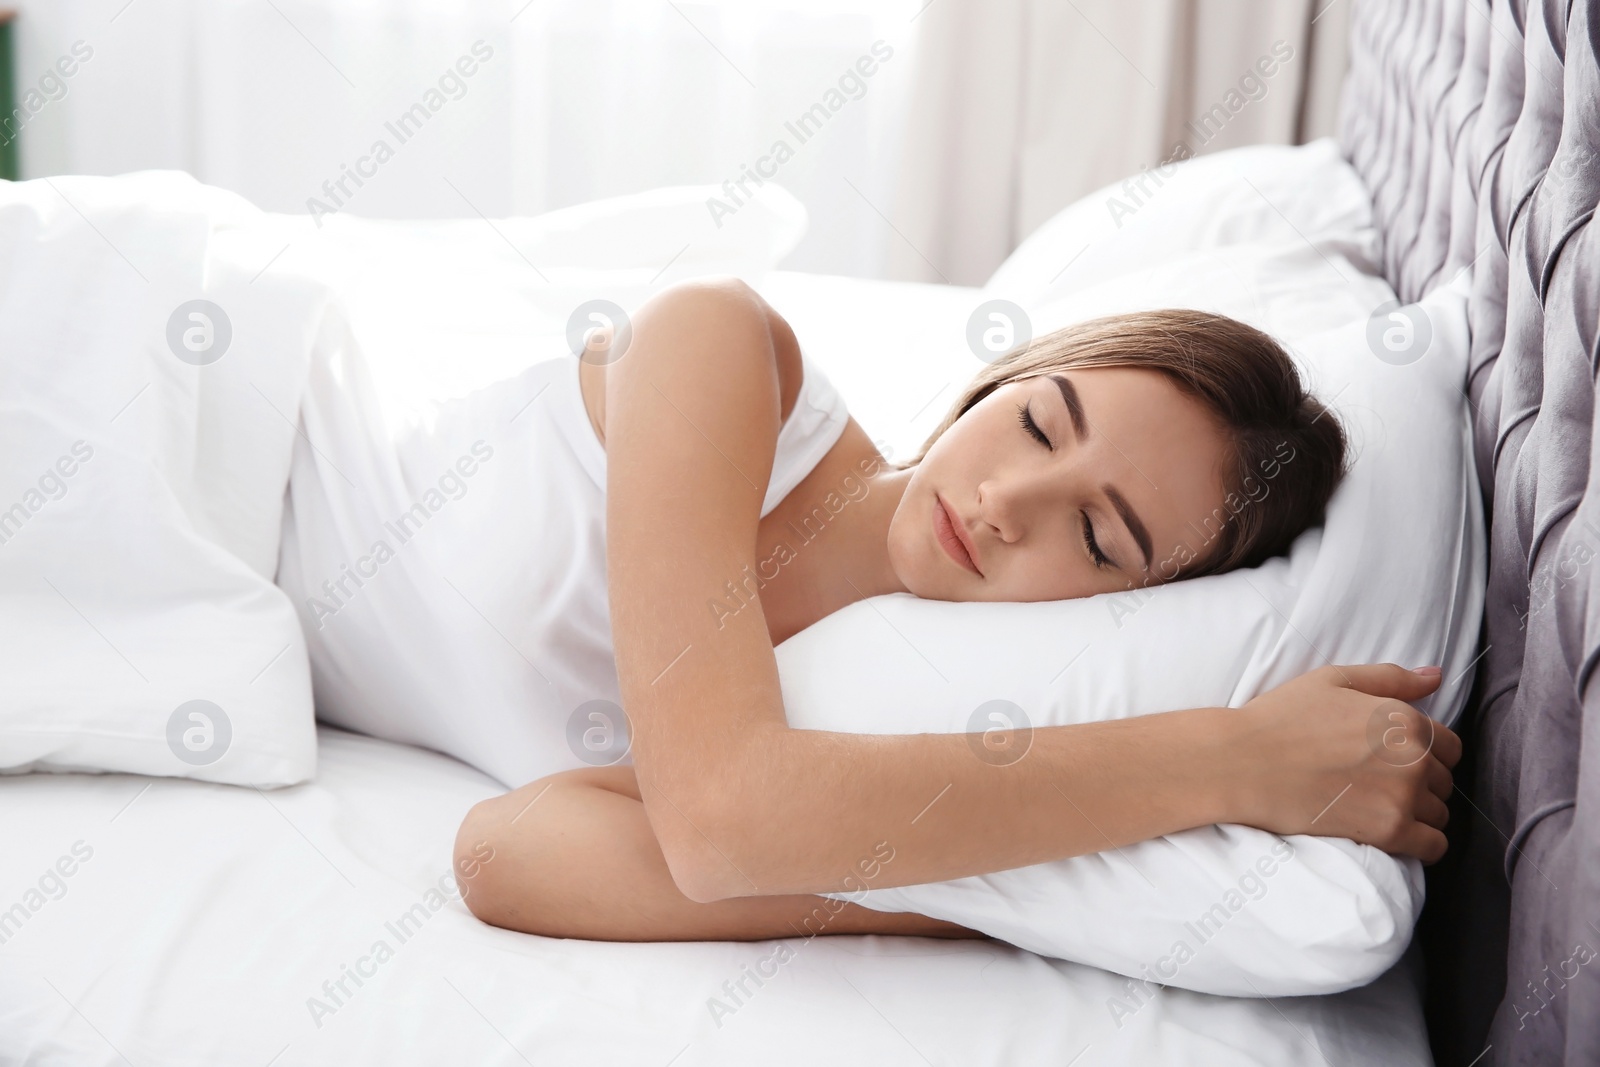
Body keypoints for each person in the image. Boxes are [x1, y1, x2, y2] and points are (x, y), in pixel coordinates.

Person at [449, 277, 1459, 943]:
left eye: (1097, 538)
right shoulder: (714, 340)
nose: (1003, 502)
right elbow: (720, 825)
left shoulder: (886, 705)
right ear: (1009, 378)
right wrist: (1235, 760)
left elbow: (506, 848)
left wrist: (944, 877)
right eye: (1034, 421)